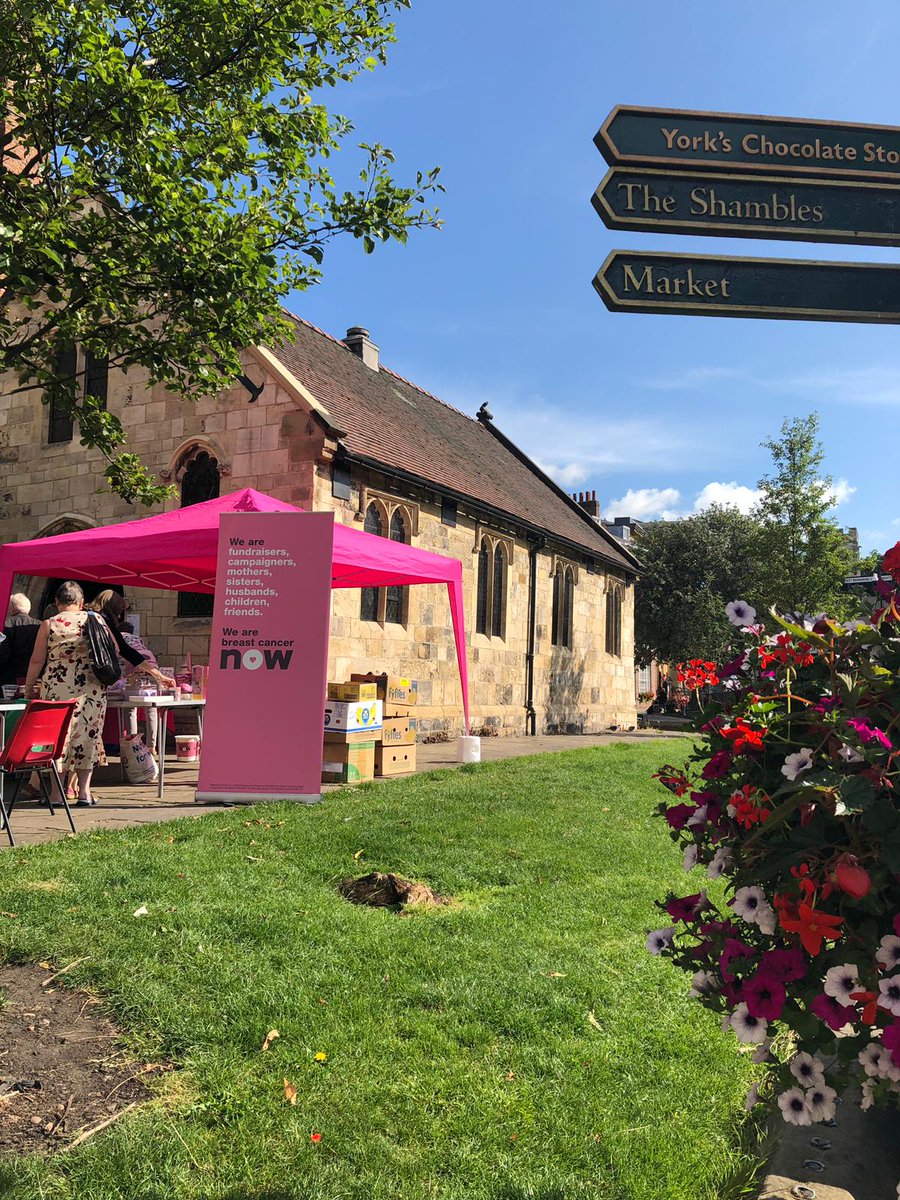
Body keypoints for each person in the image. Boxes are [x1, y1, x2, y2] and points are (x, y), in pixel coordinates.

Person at [23, 582, 175, 807]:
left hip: (56, 690)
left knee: (59, 740)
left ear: (57, 603)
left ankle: (56, 794)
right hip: (91, 690)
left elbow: (37, 661)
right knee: (88, 737)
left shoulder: (48, 624)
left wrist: (28, 688)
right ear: (81, 602)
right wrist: (156, 674)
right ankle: (84, 793)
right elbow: (118, 649)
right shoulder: (96, 620)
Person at [0, 594, 40, 687]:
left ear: (12, 608)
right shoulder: (40, 626)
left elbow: (3, 653)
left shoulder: (5, 624)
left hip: (7, 680)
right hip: (34, 679)